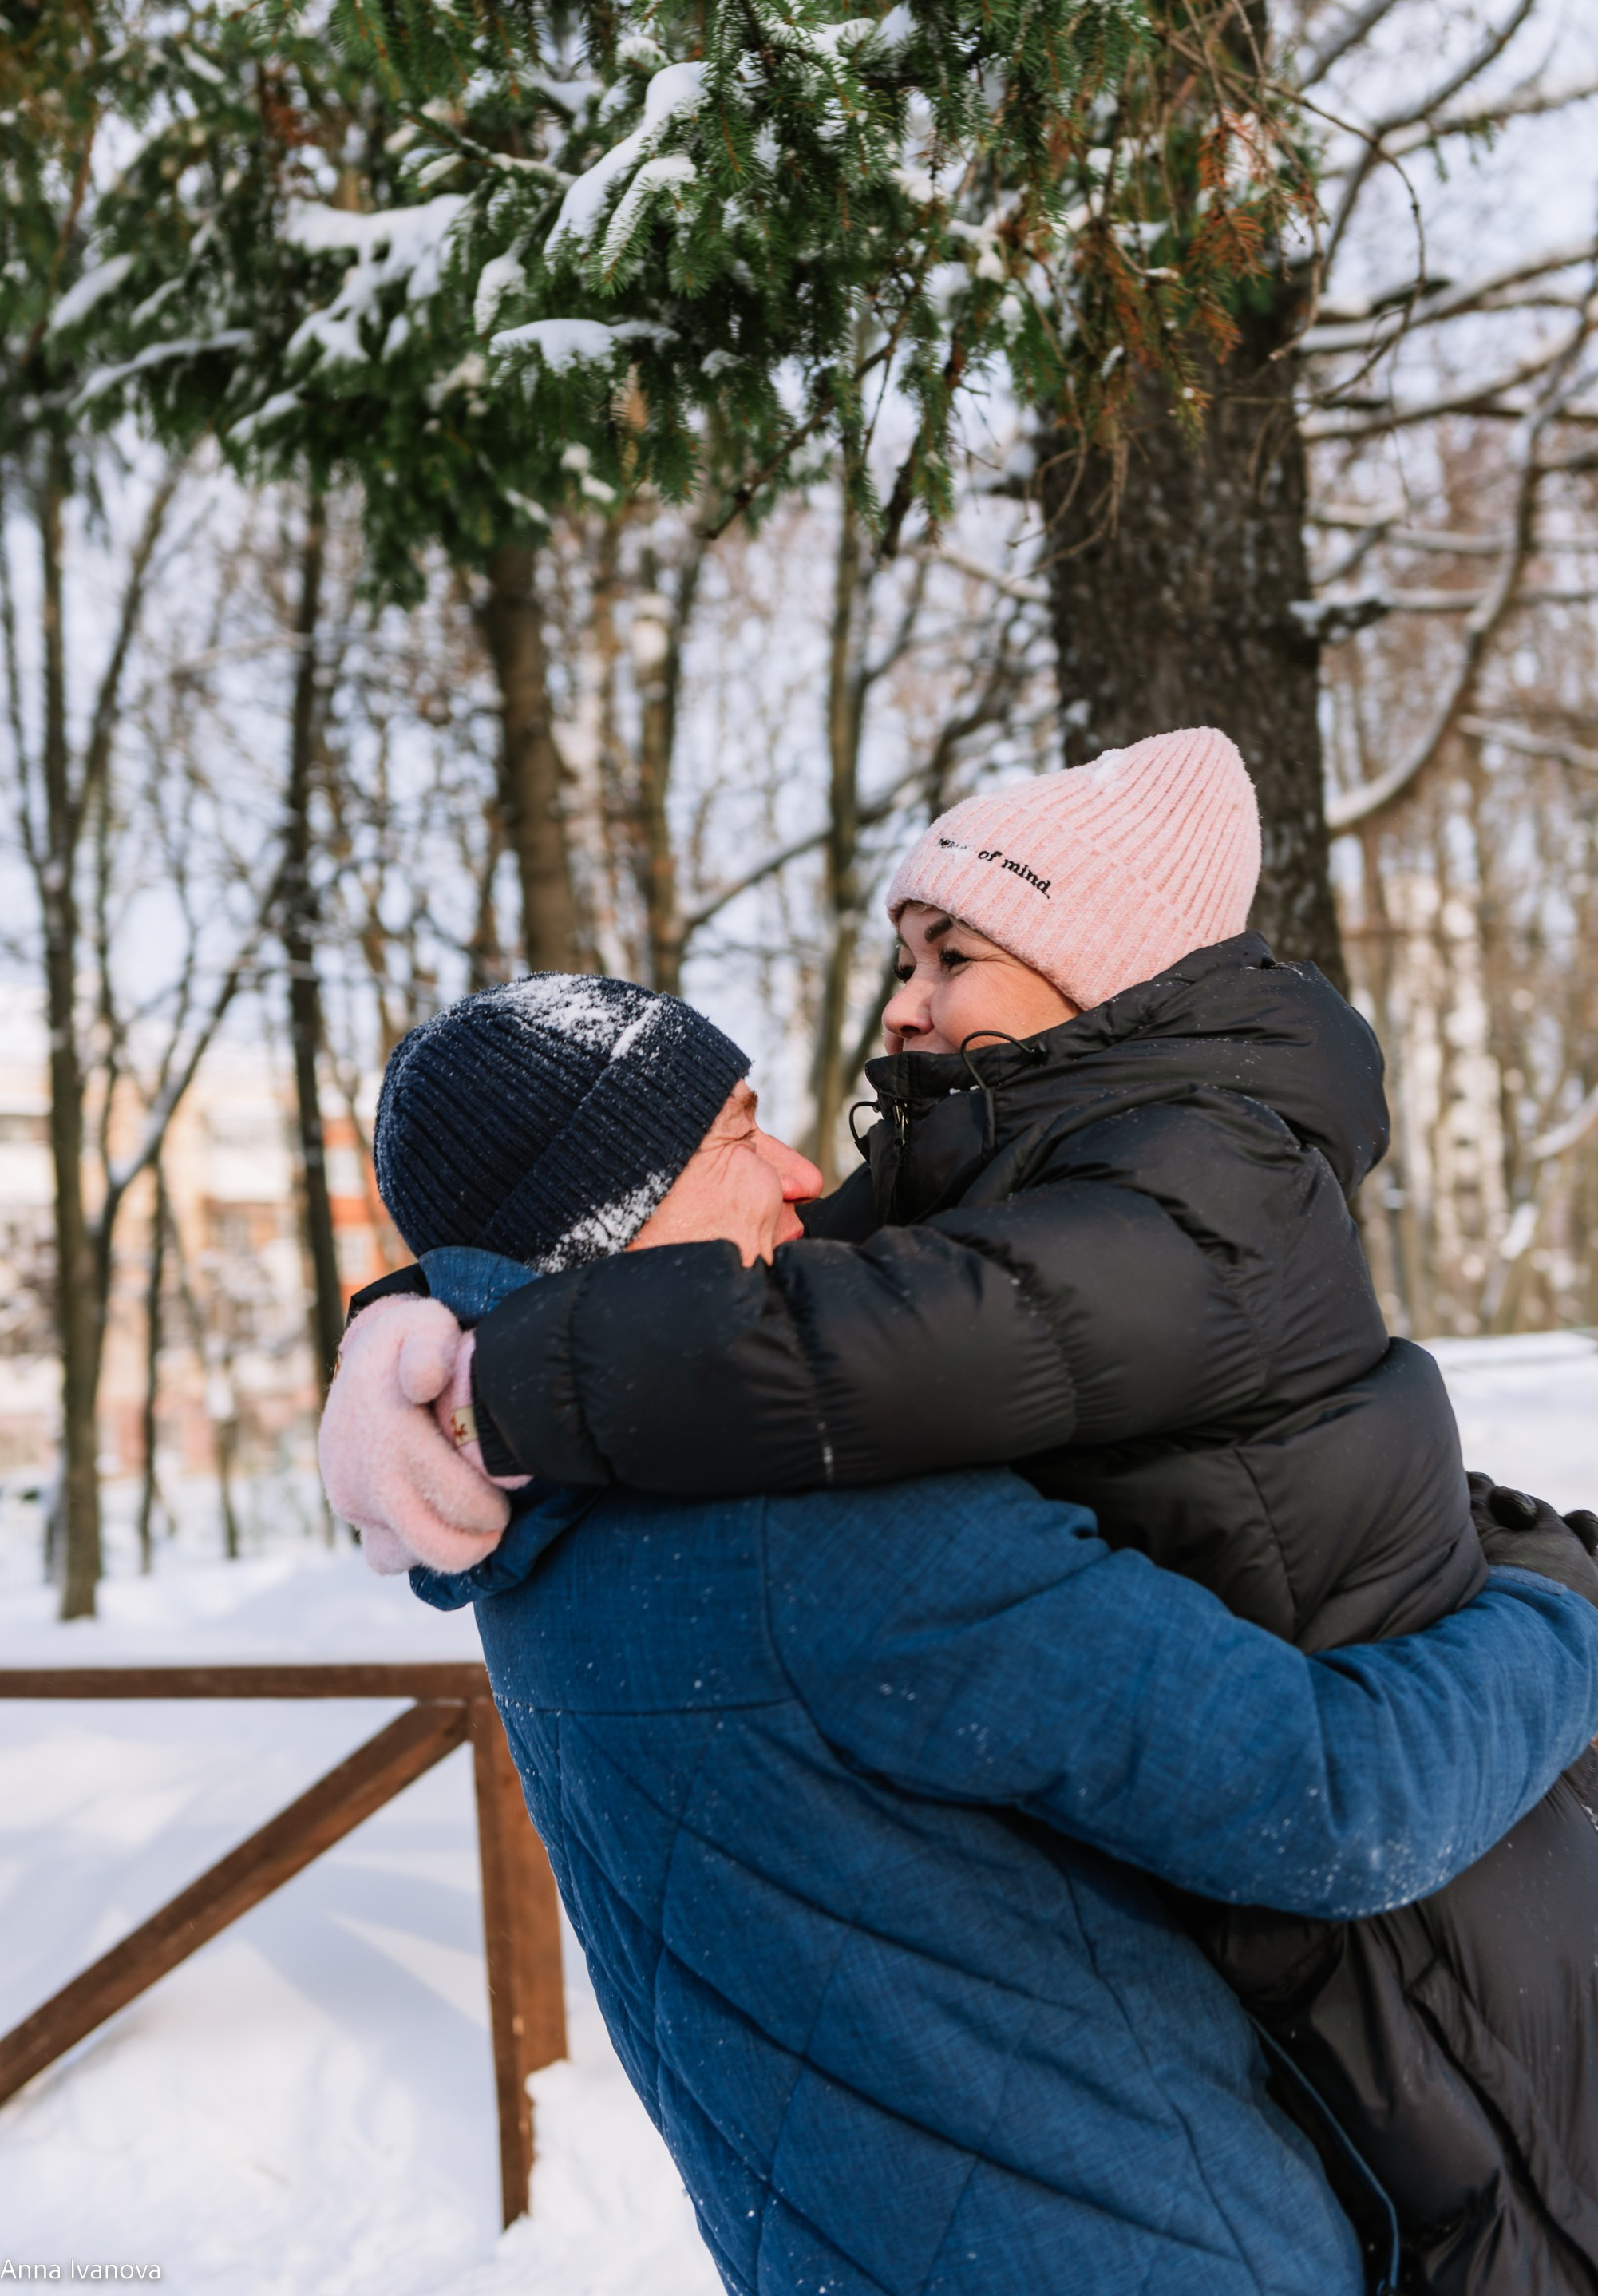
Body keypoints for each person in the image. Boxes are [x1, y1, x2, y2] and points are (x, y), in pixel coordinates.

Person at [322, 952, 1598, 2296]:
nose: (805, 1172)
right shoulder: (814, 1534)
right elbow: (1335, 1800)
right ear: (617, 1210)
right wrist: (1557, 1611)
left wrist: (414, 1325)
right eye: (741, 1134)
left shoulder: (519, 1509)